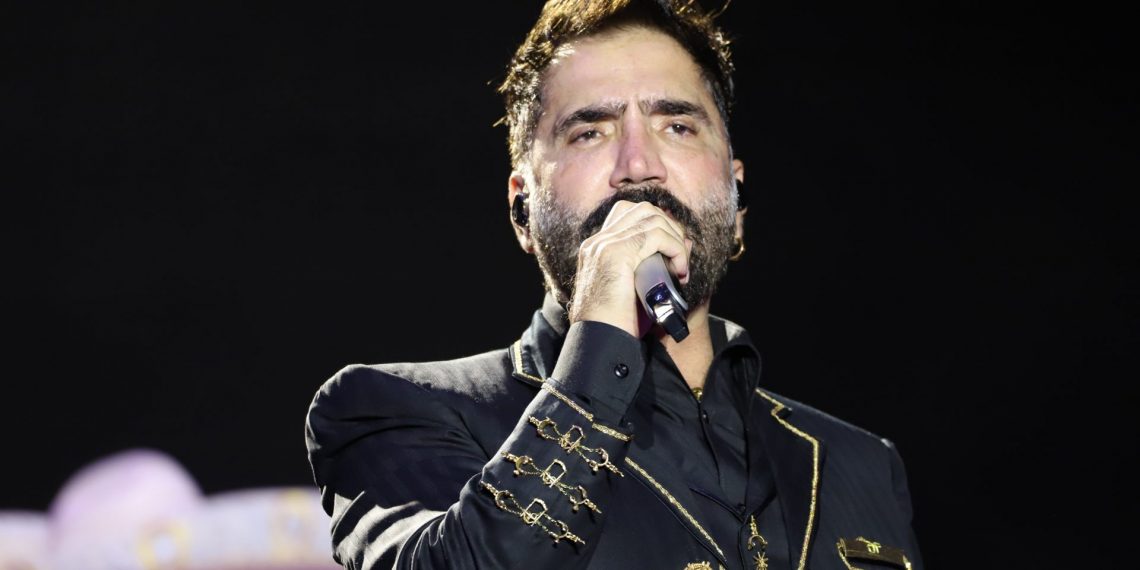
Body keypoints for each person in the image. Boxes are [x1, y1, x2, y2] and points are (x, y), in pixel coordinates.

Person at [305, 1, 922, 568]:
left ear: (737, 201)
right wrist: (602, 335)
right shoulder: (394, 411)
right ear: (523, 210)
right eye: (590, 131)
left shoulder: (861, 463)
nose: (638, 167)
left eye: (677, 126)